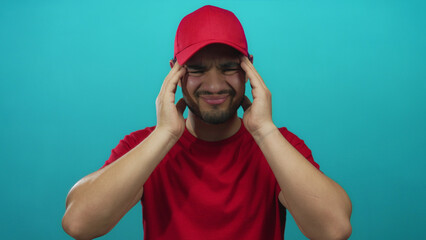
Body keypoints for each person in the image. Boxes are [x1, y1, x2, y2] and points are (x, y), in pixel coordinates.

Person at [62, 5, 352, 240]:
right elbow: (78, 224)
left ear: (249, 70)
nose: (214, 86)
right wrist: (165, 134)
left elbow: (334, 229)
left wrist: (264, 131)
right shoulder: (143, 146)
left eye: (228, 68)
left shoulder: (279, 145)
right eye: (198, 70)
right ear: (174, 73)